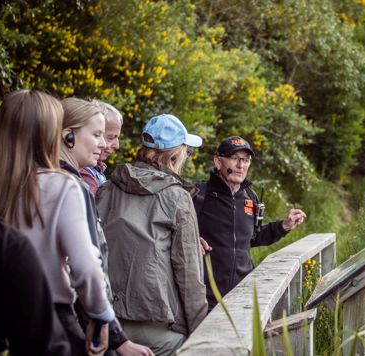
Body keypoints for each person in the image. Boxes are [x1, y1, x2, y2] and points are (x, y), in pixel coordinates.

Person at [0, 89, 115, 355]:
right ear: (59, 134)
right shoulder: (62, 187)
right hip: (50, 319)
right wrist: (100, 316)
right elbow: (86, 267)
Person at [96, 114, 208, 356]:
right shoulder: (178, 198)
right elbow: (189, 275)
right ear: (174, 156)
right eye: (186, 152)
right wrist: (202, 333)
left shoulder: (105, 189)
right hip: (155, 327)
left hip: (106, 323)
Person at [0, 107, 71, 355]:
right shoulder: (65, 187)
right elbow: (89, 267)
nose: (105, 144)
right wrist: (105, 320)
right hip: (56, 310)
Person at [60, 97, 154, 356]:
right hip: (76, 314)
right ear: (68, 136)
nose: (105, 144)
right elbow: (86, 266)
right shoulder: (72, 186)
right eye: (98, 135)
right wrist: (115, 335)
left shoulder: (46, 178)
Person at [194, 136, 307, 310]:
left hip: (242, 296)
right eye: (234, 158)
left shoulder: (250, 198)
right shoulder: (198, 195)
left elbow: (253, 238)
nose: (241, 166)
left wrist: (284, 225)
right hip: (205, 300)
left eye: (246, 160)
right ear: (218, 161)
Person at [80, 101, 122, 194]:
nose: (117, 146)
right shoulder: (84, 178)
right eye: (110, 138)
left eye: (117, 138)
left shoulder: (96, 169)